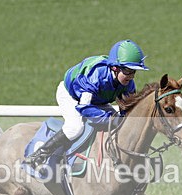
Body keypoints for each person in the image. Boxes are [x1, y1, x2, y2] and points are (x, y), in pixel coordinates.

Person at [24, 39, 149, 168]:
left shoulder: (128, 84)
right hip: (72, 96)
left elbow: (126, 111)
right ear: (115, 67)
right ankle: (39, 156)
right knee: (75, 128)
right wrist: (111, 119)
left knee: (119, 124)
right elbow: (85, 108)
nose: (131, 76)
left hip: (96, 99)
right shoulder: (95, 76)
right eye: (128, 71)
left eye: (134, 71)